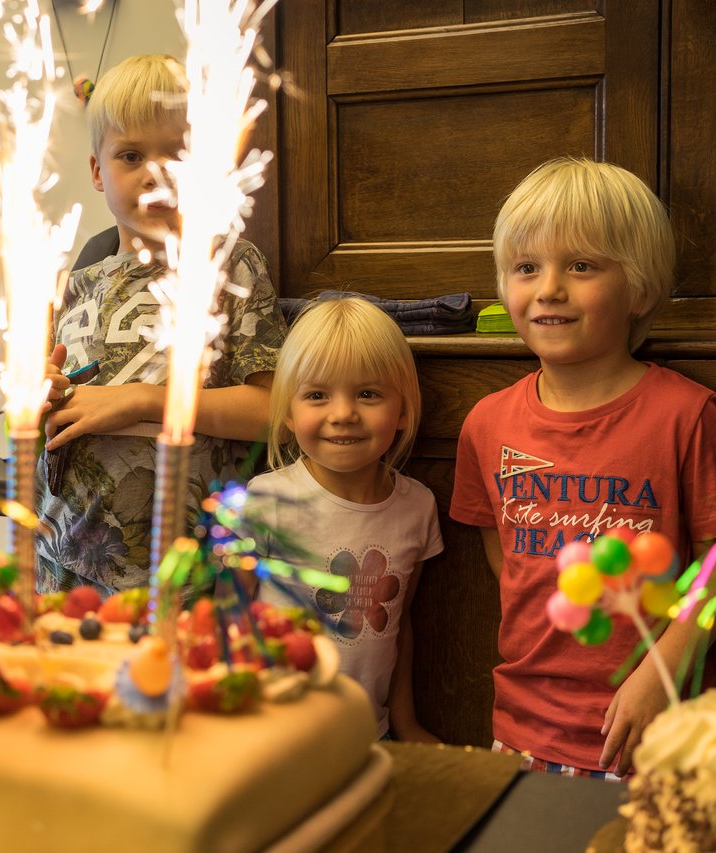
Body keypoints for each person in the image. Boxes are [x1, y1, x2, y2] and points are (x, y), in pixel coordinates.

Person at [450, 158, 716, 778]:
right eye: (527, 267)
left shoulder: (686, 416)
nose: (549, 288)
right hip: (525, 727)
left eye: (580, 266)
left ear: (639, 289)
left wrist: (661, 671)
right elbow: (505, 558)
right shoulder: (486, 423)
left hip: (659, 731)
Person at [36, 54, 286, 595]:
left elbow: (274, 412)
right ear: (98, 171)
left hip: (186, 571)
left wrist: (146, 400)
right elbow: (41, 406)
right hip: (64, 560)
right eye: (131, 155)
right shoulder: (75, 285)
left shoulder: (230, 267)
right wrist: (43, 397)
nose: (155, 173)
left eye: (177, 155)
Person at [248, 297, 443, 742]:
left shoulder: (419, 507)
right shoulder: (267, 500)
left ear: (404, 411)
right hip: (275, 736)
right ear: (290, 413)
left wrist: (406, 723)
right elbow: (231, 621)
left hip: (369, 735)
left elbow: (398, 625)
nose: (342, 414)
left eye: (368, 394)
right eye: (317, 395)